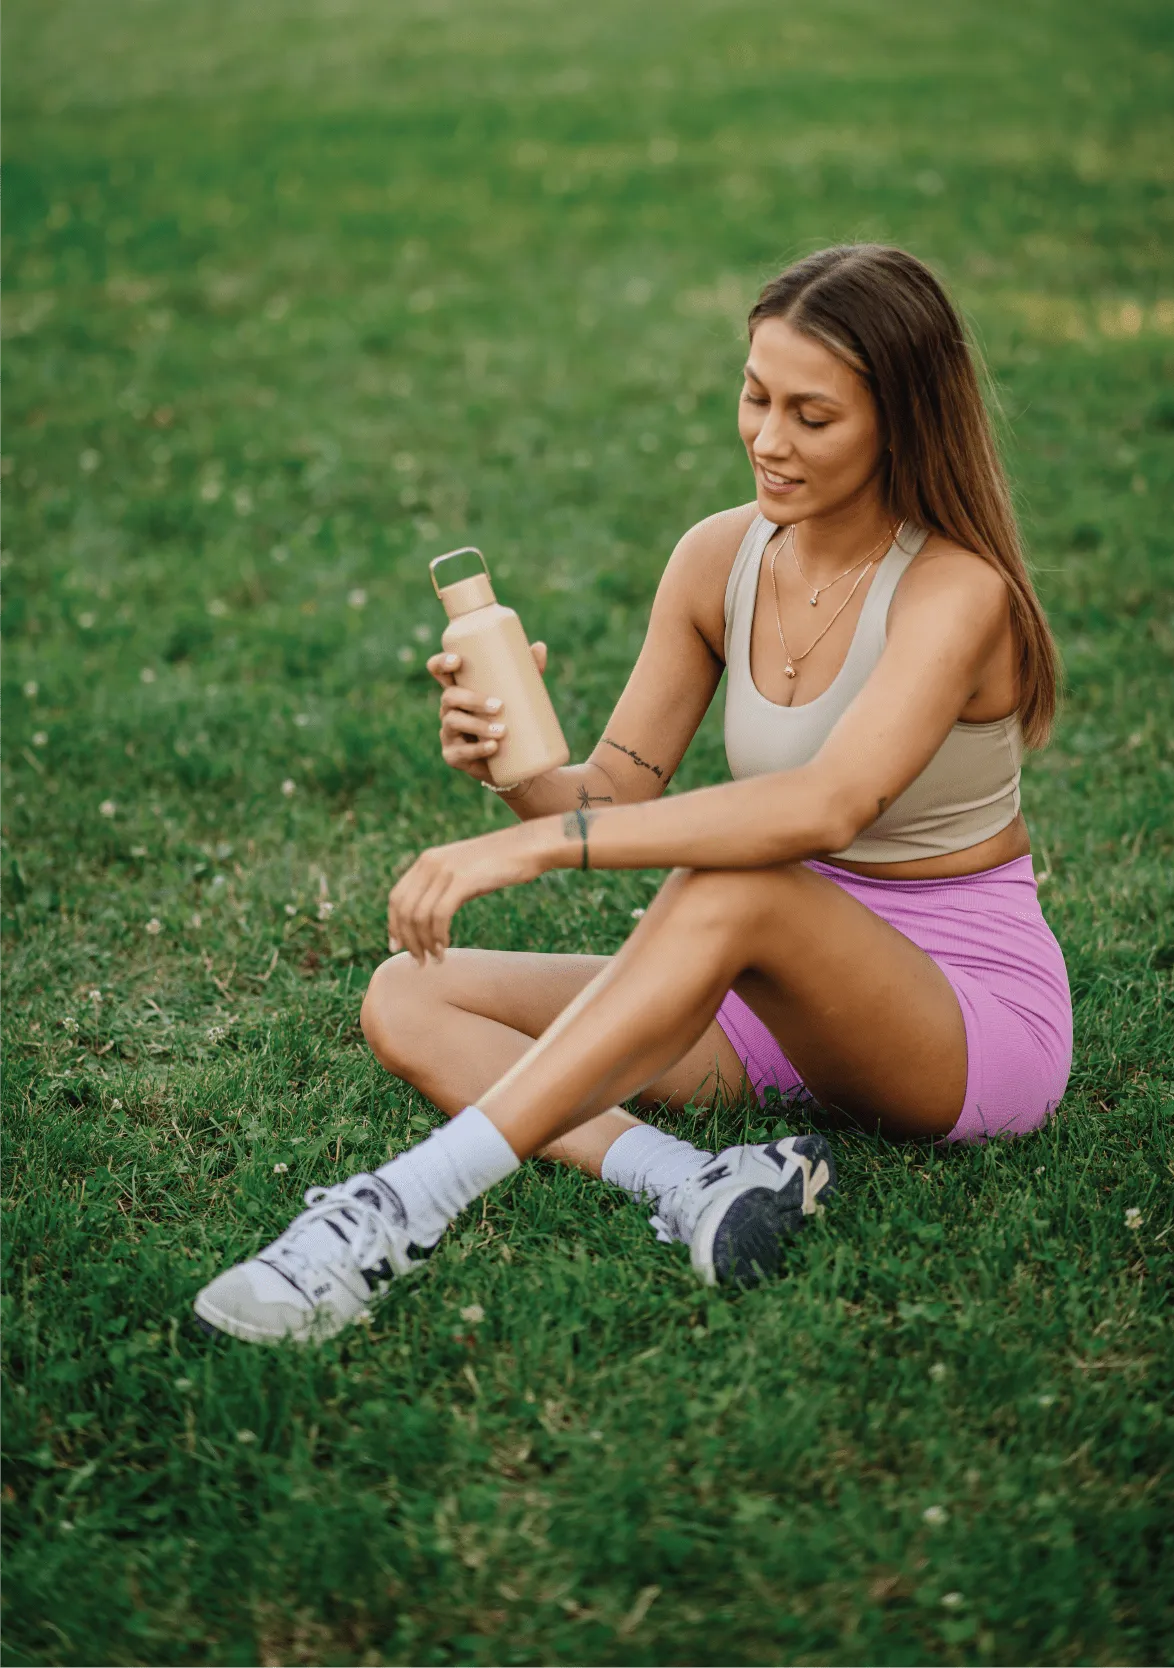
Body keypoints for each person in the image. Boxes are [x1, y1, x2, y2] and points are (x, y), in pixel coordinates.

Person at [194, 243, 1072, 1346]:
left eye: (813, 415)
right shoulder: (718, 558)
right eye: (756, 396)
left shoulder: (957, 591)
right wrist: (516, 773)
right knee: (408, 995)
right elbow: (605, 791)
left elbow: (825, 809)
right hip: (771, 1002)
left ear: (900, 421)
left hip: (958, 1016)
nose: (766, 438)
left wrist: (539, 848)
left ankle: (396, 1211)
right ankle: (692, 1182)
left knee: (740, 884)